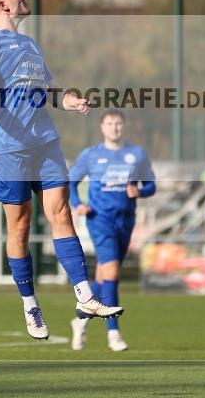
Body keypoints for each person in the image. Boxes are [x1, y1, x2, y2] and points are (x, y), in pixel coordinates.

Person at [0, 0, 123, 341]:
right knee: (19, 225)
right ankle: (30, 303)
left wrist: (72, 101)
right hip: (8, 148)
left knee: (61, 212)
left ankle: (85, 296)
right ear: (2, 4)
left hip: (45, 142)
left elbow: (52, 91)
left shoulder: (31, 46)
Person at [68, 109, 155, 352]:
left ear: (124, 127)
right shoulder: (91, 155)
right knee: (113, 274)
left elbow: (150, 185)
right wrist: (78, 204)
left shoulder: (136, 154)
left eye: (118, 123)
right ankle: (113, 334)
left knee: (103, 276)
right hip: (100, 220)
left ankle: (80, 320)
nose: (114, 127)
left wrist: (140, 191)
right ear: (102, 127)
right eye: (109, 123)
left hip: (125, 220)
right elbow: (71, 182)